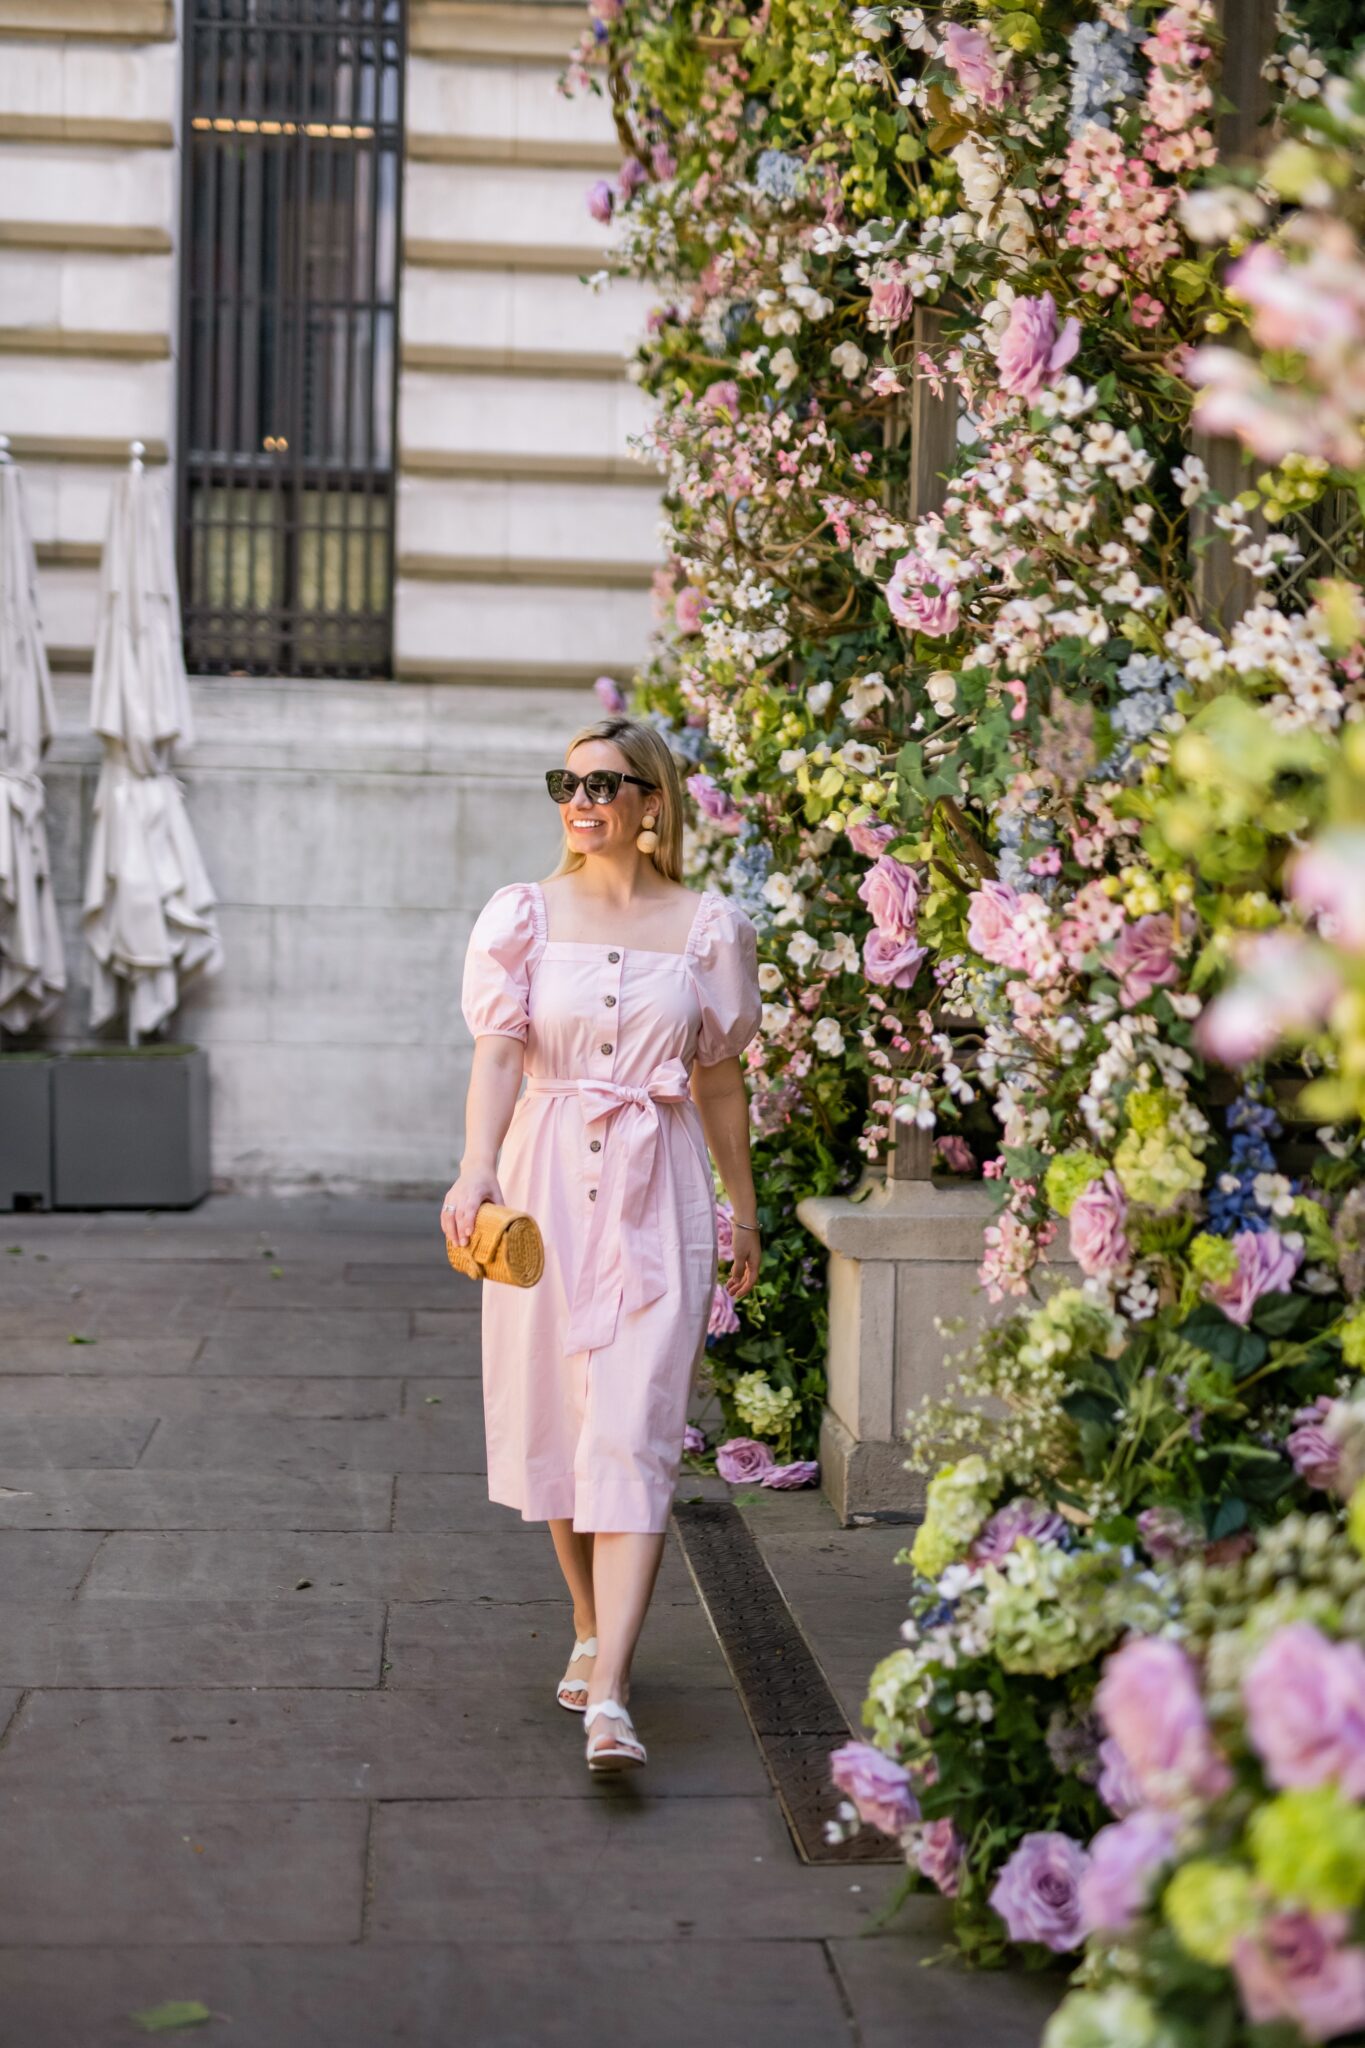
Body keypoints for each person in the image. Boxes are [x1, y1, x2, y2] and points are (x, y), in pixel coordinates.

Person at [441, 715, 762, 1775]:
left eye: (607, 784)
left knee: (633, 1424)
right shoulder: (521, 915)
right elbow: (499, 1051)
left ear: (653, 803)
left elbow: (718, 1075)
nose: (582, 801)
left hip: (655, 1189)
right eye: (567, 783)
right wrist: (476, 1164)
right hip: (541, 1185)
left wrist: (740, 1202)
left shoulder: (710, 926)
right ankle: (587, 1619)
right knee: (557, 1423)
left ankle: (612, 1690)